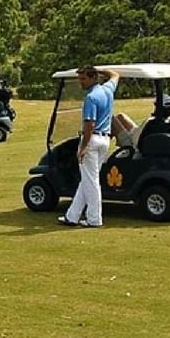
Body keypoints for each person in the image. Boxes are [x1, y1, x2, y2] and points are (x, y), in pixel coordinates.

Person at [59, 66, 120, 228]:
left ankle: (94, 219)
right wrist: (100, 69)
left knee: (91, 181)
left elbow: (89, 124)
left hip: (92, 140)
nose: (81, 82)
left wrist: (83, 147)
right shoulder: (107, 89)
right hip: (104, 141)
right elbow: (115, 75)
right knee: (87, 179)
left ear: (93, 78)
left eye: (83, 78)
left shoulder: (91, 97)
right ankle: (72, 216)